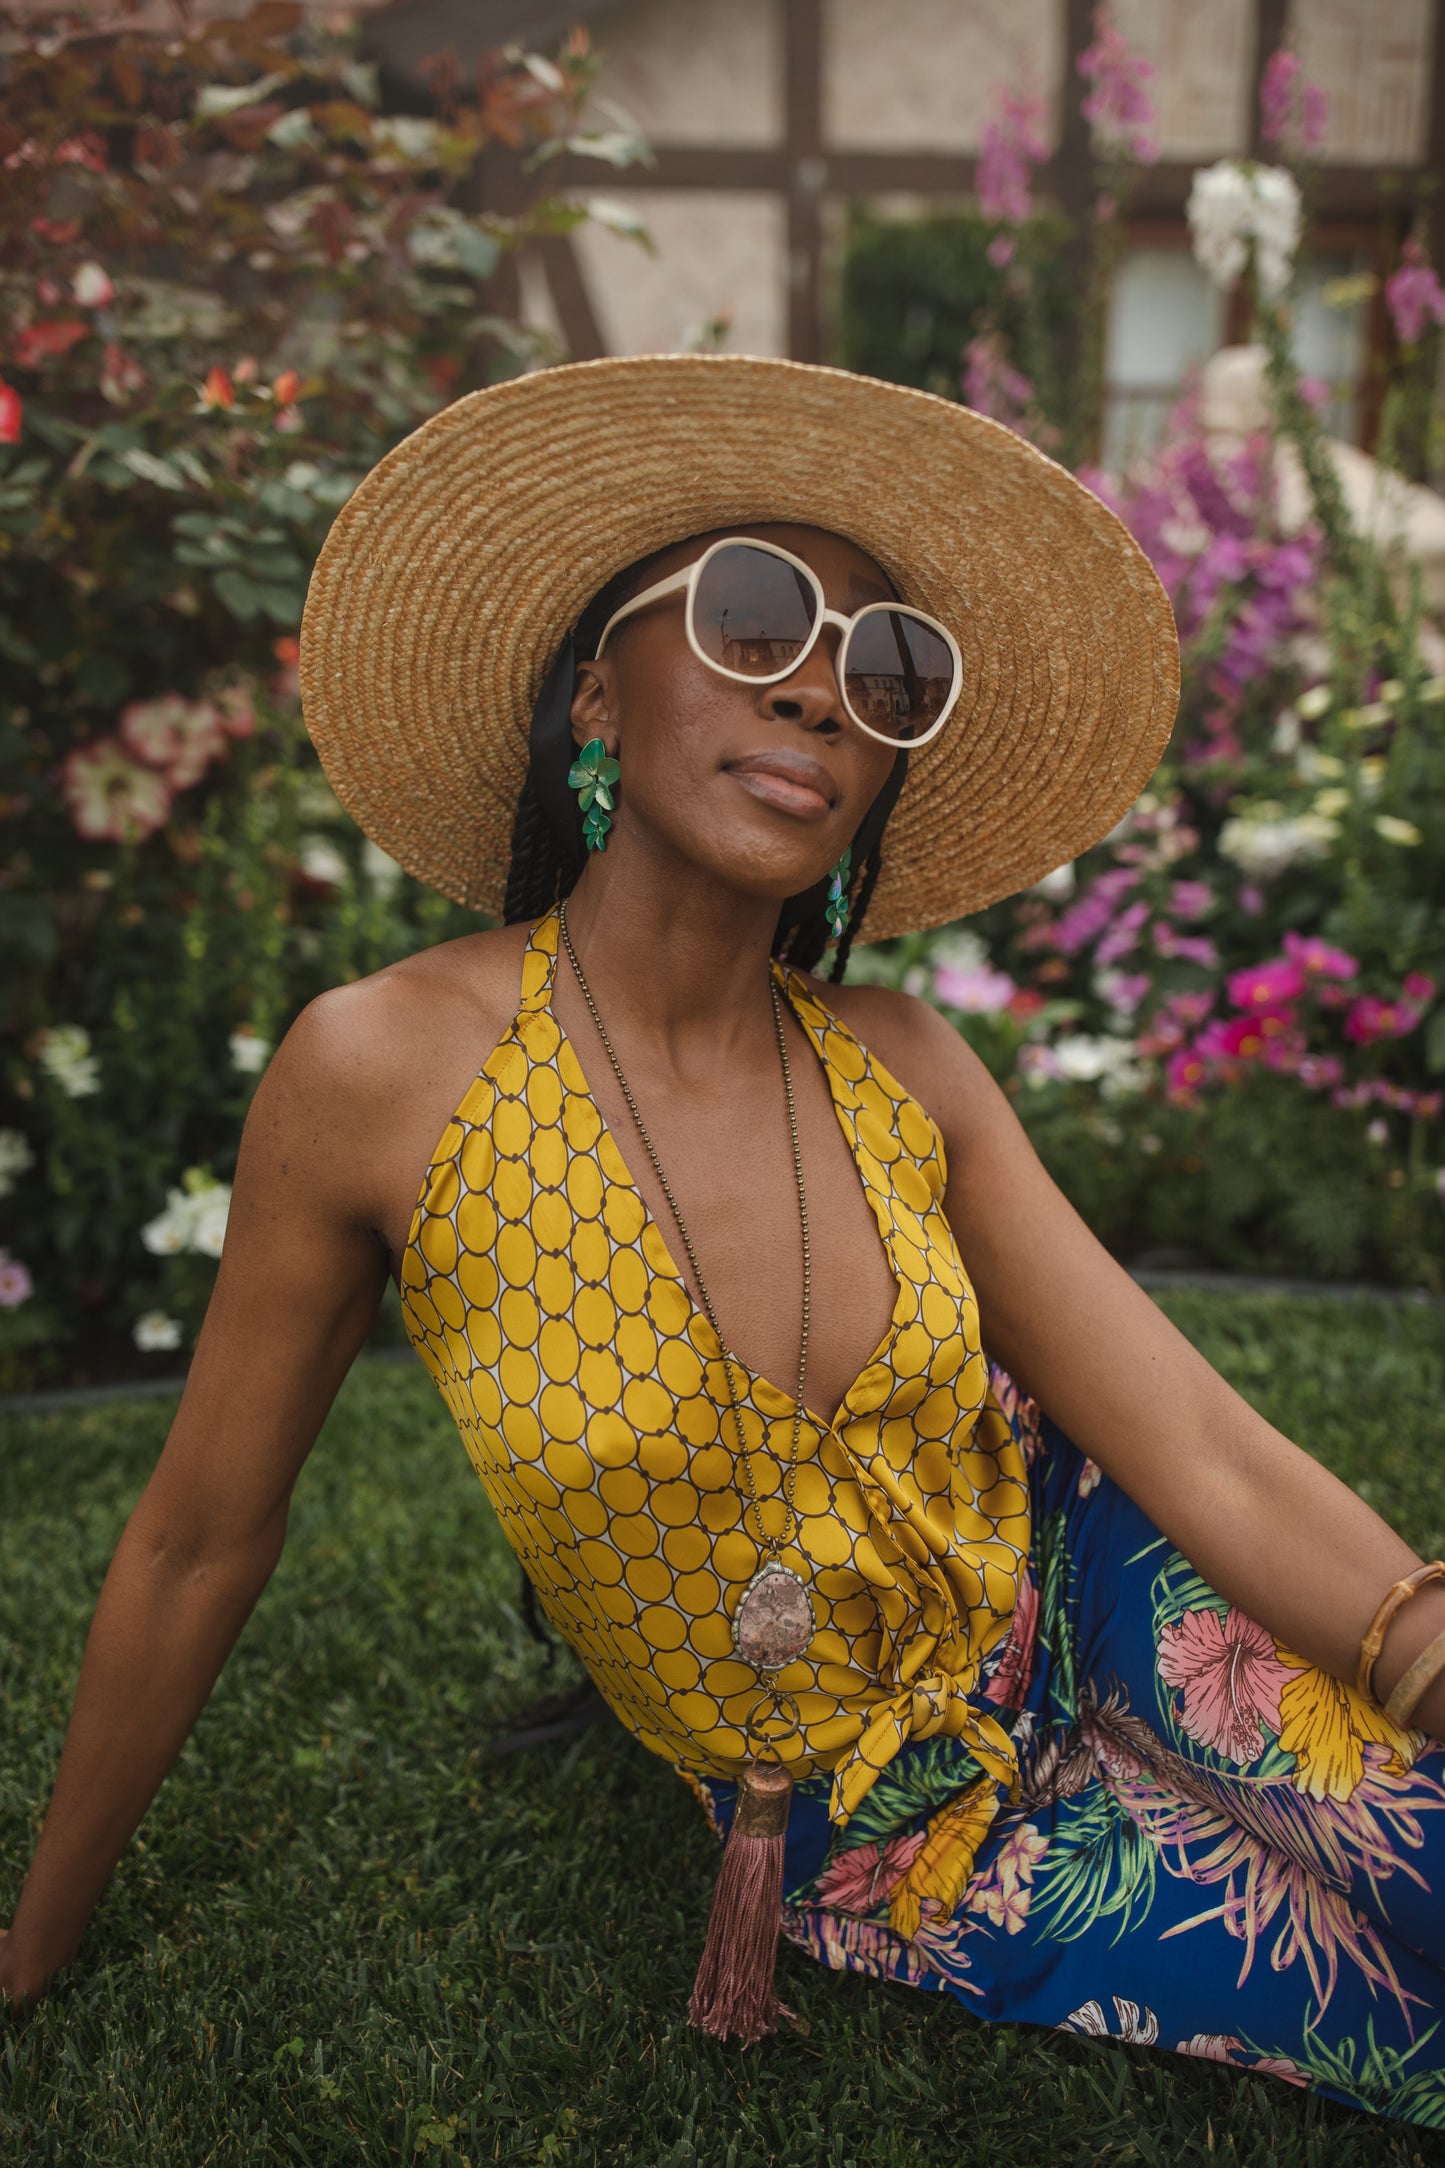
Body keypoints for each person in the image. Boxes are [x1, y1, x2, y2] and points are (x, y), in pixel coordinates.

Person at [3, 354, 1444, 2126]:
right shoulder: (380, 1073)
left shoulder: (904, 1064)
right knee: (1368, 1971)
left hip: (1089, 1582)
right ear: (597, 695)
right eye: (757, 617)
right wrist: (29, 1945)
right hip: (857, 1816)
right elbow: (195, 1538)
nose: (827, 695)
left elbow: (1191, 1441)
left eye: (886, 667)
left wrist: (1417, 1644)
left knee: (1415, 1834)